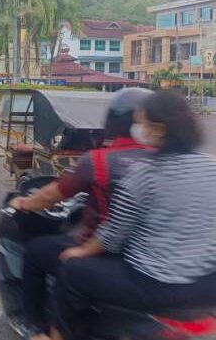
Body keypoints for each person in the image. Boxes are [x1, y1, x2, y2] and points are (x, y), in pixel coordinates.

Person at [48, 90, 216, 340]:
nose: (138, 129)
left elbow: (114, 234)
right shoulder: (211, 166)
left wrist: (80, 252)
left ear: (159, 129)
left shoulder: (144, 173)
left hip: (154, 284)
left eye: (141, 123)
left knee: (70, 271)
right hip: (206, 286)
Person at [5, 88, 154, 338]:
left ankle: (33, 323)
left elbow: (53, 194)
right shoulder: (167, 160)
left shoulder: (98, 160)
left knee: (35, 252)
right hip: (150, 258)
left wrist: (23, 203)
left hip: (103, 250)